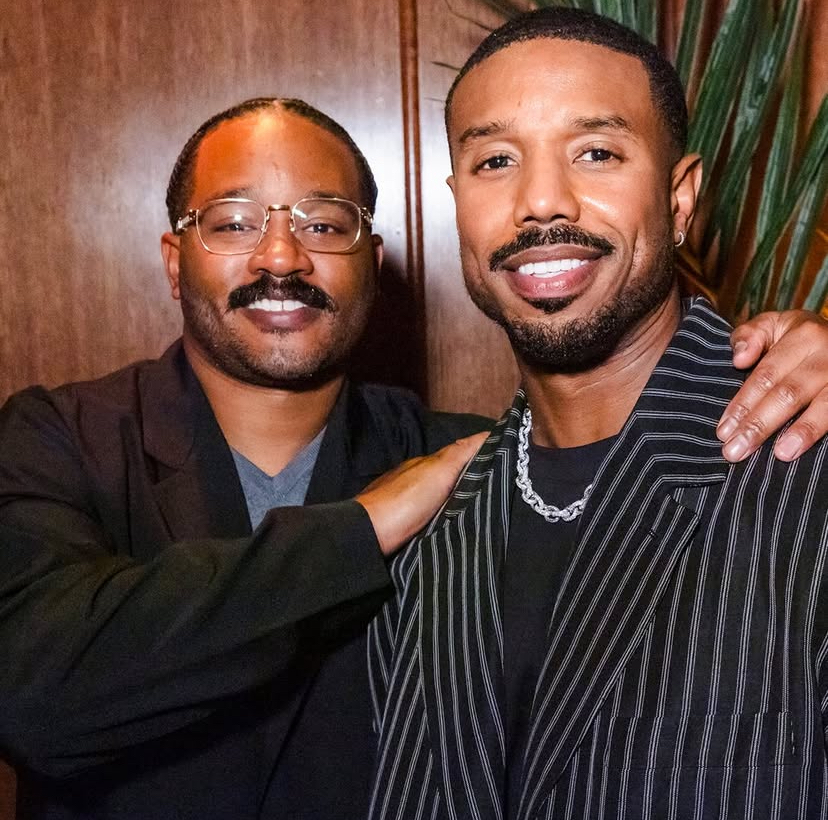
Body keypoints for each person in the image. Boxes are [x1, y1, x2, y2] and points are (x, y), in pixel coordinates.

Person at [0, 95, 823, 820]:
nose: (281, 257)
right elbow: (36, 696)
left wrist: (794, 355)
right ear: (175, 260)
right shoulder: (59, 440)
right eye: (234, 222)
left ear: (372, 260)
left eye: (324, 223)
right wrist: (362, 528)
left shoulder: (469, 462)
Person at [369, 9, 828, 820]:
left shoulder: (807, 465)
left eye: (598, 153)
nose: (541, 200)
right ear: (457, 207)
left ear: (680, 200)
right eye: (496, 160)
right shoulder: (424, 530)